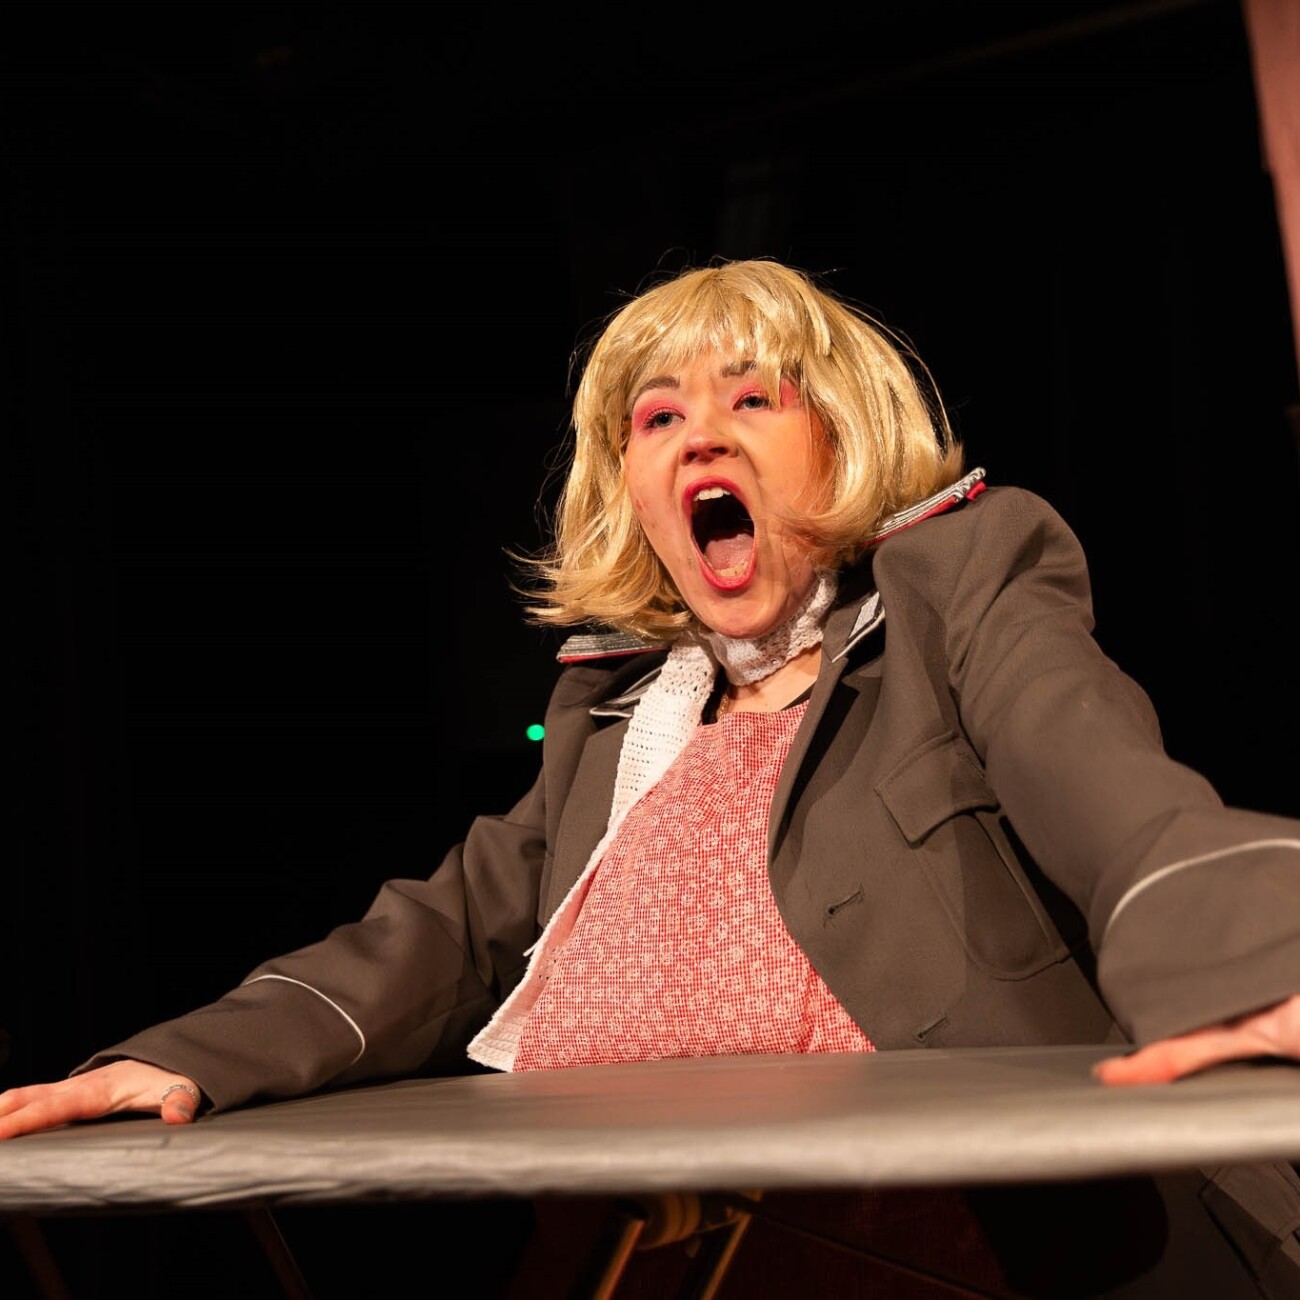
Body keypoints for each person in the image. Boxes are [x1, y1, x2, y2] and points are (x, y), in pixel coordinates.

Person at [3, 258, 1298, 1294]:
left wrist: (1261, 965)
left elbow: (1109, 783)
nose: (698, 438)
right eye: (660, 417)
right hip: (632, 1249)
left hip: (956, 1245)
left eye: (752, 400)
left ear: (843, 439)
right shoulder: (622, 717)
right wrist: (183, 1059)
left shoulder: (956, 601)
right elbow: (440, 933)